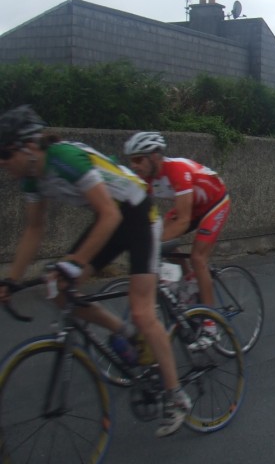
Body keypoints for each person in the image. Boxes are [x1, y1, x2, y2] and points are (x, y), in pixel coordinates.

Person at [0, 105, 190, 438]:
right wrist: (11, 280)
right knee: (58, 288)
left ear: (28, 146)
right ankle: (127, 335)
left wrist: (74, 263)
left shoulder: (63, 158)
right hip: (112, 217)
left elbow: (110, 215)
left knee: (143, 312)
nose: (1, 162)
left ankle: (176, 396)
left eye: (4, 153)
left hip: (136, 214)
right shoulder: (31, 178)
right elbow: (34, 228)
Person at [123, 131, 231, 346]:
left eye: (138, 159)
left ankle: (211, 326)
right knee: (162, 239)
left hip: (215, 202)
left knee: (198, 258)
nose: (134, 166)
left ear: (154, 156)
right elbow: (143, 215)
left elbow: (183, 220)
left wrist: (150, 243)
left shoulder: (177, 170)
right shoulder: (146, 179)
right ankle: (189, 283)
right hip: (193, 206)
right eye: (131, 160)